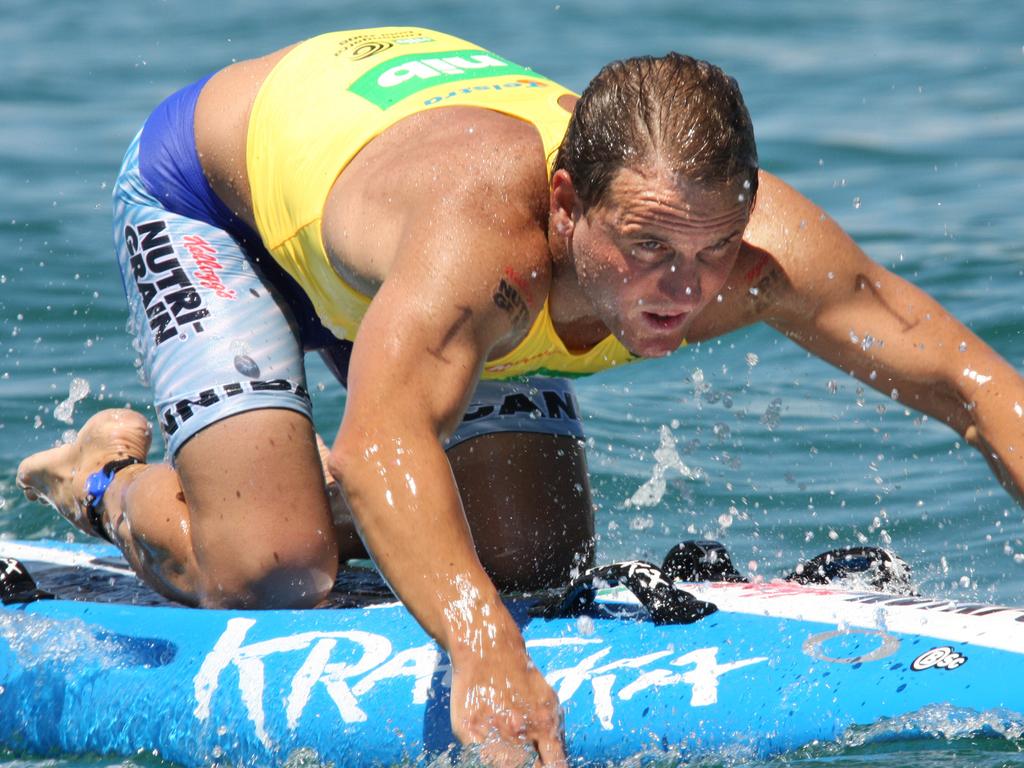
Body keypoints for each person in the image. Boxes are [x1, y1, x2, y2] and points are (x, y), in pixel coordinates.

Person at [16, 26, 1024, 764]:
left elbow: (979, 387)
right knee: (272, 574)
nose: (683, 288)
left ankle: (304, 492)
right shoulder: (482, 243)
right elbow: (381, 443)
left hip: (394, 238)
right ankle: (103, 479)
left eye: (713, 250)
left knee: (535, 560)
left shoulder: (762, 258)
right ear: (563, 204)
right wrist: (482, 646)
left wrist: (478, 575)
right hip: (216, 197)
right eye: (646, 249)